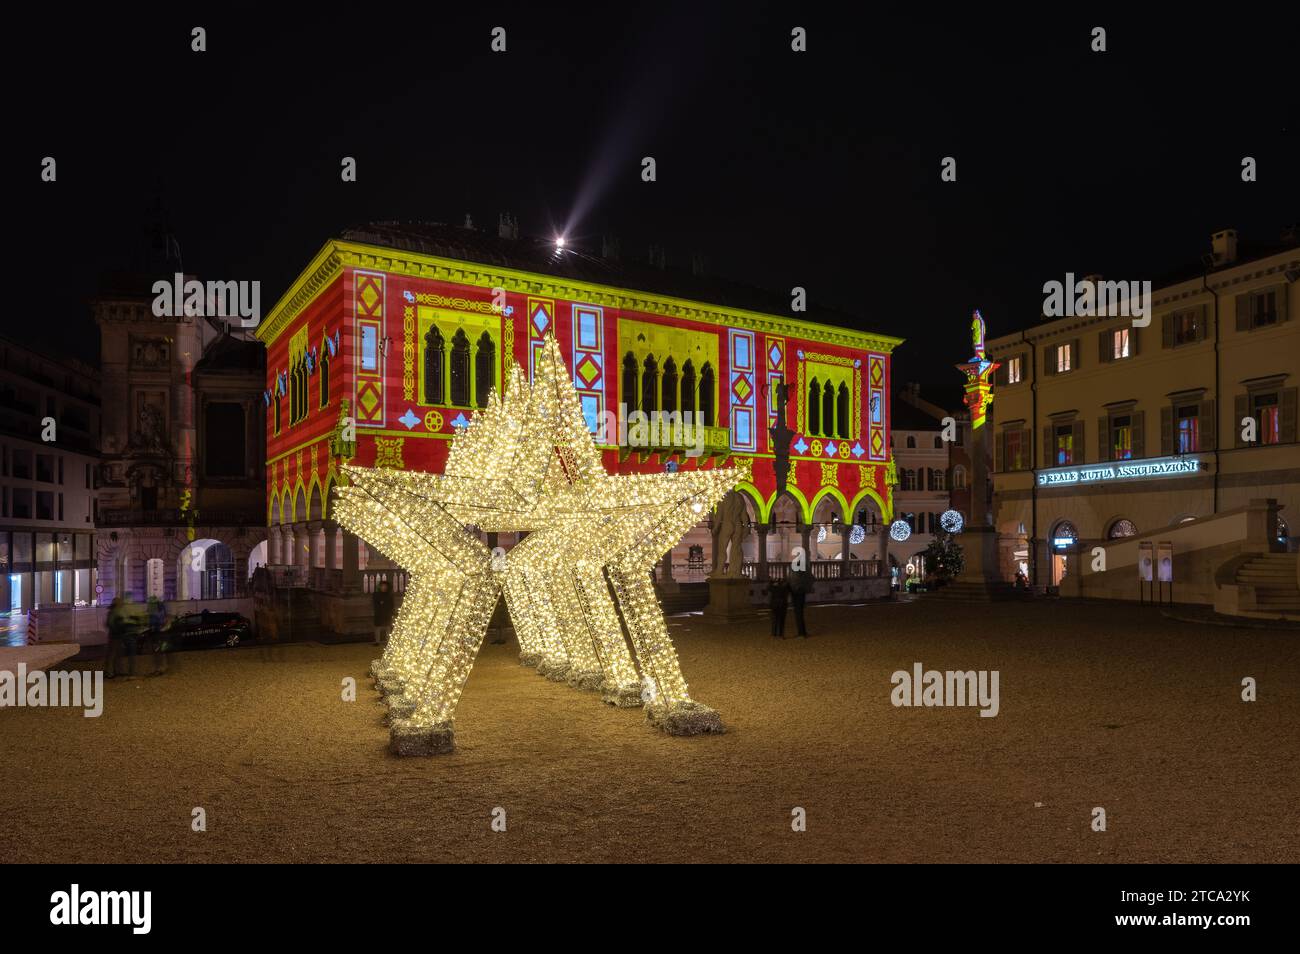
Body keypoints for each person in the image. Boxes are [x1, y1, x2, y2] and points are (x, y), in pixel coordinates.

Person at [787, 566, 813, 637]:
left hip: (796, 593)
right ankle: (802, 632)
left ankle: (801, 632)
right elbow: (811, 578)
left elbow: (789, 581)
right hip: (801, 593)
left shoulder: (793, 574)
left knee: (798, 614)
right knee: (800, 613)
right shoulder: (803, 572)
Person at [146, 595, 169, 676]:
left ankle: (159, 669)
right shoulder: (162, 612)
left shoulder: (155, 614)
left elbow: (152, 623)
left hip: (156, 634)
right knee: (159, 652)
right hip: (160, 633)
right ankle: (161, 667)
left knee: (157, 652)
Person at [372, 579, 395, 647]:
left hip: (387, 613)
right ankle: (377, 641)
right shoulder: (376, 594)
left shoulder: (389, 595)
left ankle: (388, 641)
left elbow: (391, 604)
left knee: (387, 627)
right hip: (379, 612)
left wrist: (392, 611)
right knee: (377, 627)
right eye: (382, 586)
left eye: (385, 586)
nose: (384, 587)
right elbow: (376, 603)